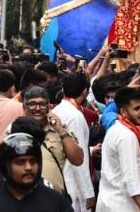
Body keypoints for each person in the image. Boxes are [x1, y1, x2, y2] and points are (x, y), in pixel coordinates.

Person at [0, 132, 72, 212]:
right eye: (20, 162)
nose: (28, 167)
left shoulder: (55, 199)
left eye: (33, 161)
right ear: (5, 166)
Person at [22, 87, 84, 196]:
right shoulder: (14, 130)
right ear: (24, 107)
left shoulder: (60, 130)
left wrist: (61, 130)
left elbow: (78, 160)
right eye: (32, 104)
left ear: (49, 107)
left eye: (42, 104)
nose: (37, 108)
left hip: (55, 198)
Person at [98, 87, 140, 212]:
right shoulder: (127, 136)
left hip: (108, 201)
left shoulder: (116, 128)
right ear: (123, 112)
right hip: (123, 204)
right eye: (136, 108)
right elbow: (130, 177)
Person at [51, 72, 95, 212]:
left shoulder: (58, 110)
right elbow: (80, 158)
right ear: (85, 91)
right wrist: (88, 192)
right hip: (72, 182)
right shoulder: (75, 116)